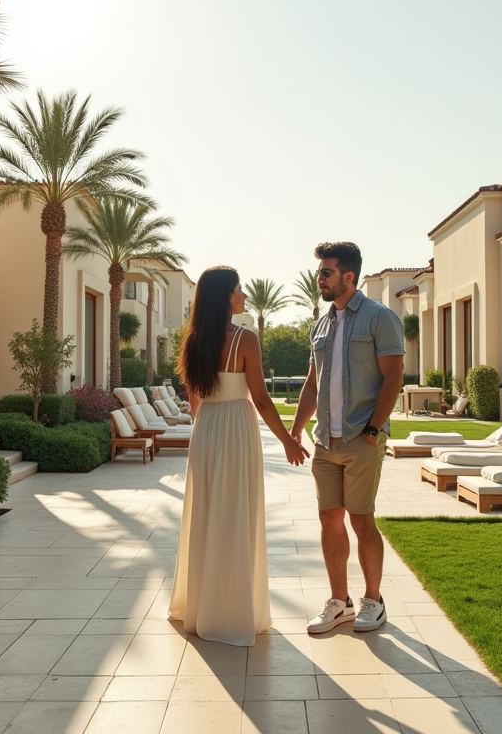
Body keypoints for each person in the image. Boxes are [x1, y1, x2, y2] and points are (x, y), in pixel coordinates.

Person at [168, 266, 309, 646]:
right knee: (236, 514)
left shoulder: (193, 340)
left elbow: (195, 400)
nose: (244, 295)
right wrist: (287, 441)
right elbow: (261, 399)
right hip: (235, 428)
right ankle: (230, 612)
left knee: (207, 513)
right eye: (238, 289)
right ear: (225, 297)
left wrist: (205, 426)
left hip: (207, 430)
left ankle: (199, 607)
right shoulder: (245, 338)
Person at [289, 242, 404, 633]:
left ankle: (374, 600)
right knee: (328, 519)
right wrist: (295, 428)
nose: (319, 278)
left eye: (326, 272)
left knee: (361, 520)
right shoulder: (320, 325)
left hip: (361, 437)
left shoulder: (379, 318)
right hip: (326, 441)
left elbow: (393, 377)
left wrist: (373, 428)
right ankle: (340, 602)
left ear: (348, 276)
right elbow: (312, 382)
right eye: (320, 272)